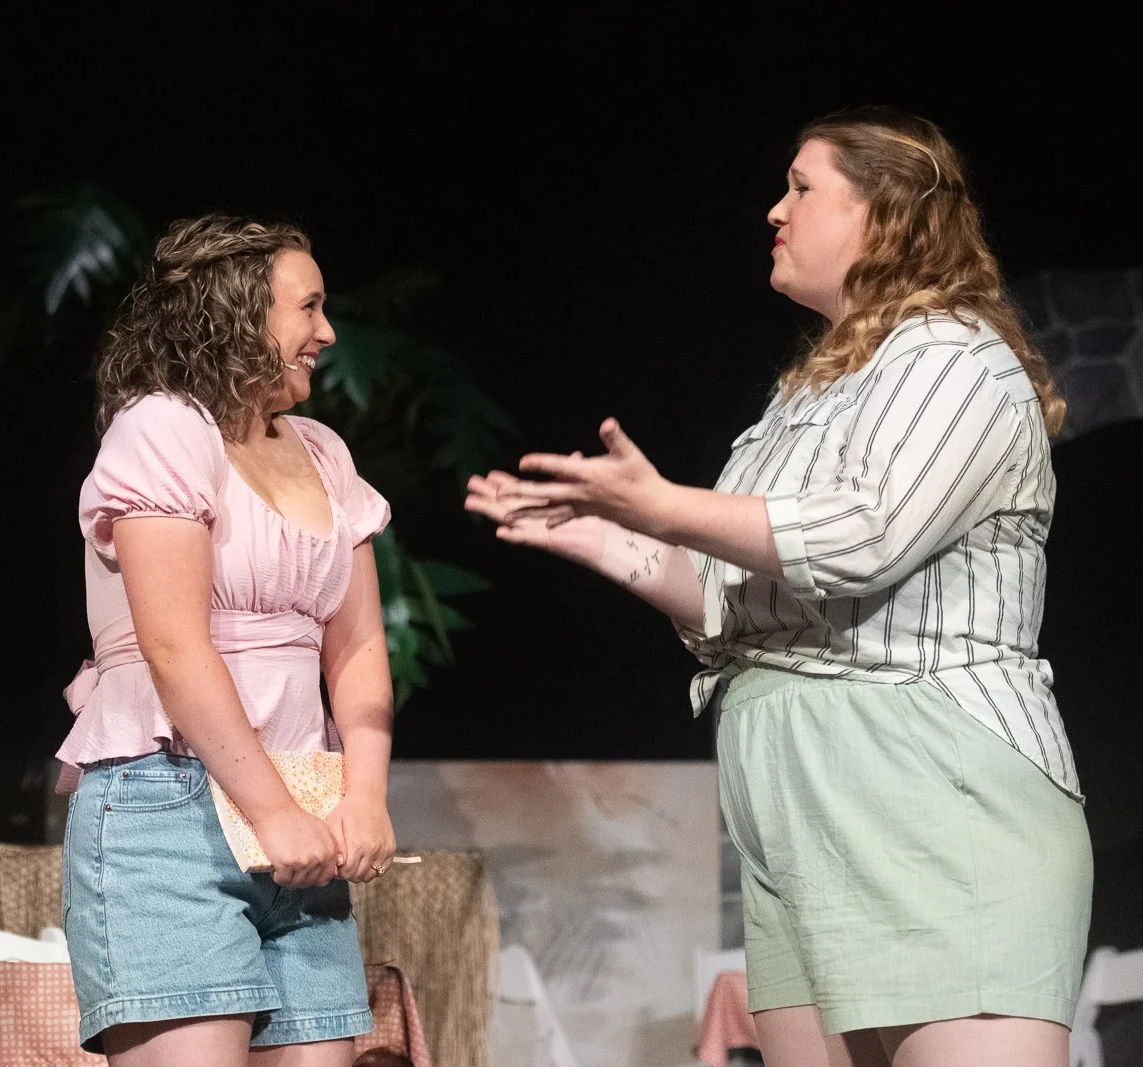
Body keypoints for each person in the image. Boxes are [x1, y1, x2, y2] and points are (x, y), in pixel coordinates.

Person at [465, 106, 1091, 1067]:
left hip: (929, 790)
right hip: (798, 806)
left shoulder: (956, 360)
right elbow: (733, 596)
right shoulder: (812, 389)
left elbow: (867, 537)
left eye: (802, 188)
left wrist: (666, 506)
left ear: (884, 216)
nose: (775, 209)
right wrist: (611, 536)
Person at [54, 214, 397, 1066]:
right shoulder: (164, 428)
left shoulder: (324, 453)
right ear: (239, 314)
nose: (326, 332)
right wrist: (273, 813)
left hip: (301, 817)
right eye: (307, 308)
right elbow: (174, 646)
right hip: (167, 808)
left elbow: (355, 650)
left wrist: (364, 794)